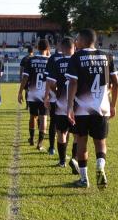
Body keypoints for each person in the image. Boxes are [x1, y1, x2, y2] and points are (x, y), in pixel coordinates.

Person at [66, 28, 118, 188]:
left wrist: (69, 106)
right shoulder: (107, 56)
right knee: (100, 142)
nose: (75, 41)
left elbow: (73, 83)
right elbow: (116, 83)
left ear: (83, 40)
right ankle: (100, 166)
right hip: (102, 108)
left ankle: (84, 179)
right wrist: (113, 105)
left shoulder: (76, 57)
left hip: (81, 109)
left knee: (82, 142)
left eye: (77, 39)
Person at [44, 36, 79, 173]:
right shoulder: (79, 62)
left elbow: (51, 83)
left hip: (60, 103)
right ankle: (75, 159)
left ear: (63, 49)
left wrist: (56, 91)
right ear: (74, 47)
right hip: (77, 104)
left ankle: (62, 161)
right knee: (77, 135)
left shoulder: (58, 63)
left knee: (61, 132)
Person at [18, 39, 51, 150]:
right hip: (45, 94)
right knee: (44, 118)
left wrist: (20, 92)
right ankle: (40, 143)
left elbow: (25, 77)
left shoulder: (31, 60)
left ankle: (31, 138)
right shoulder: (51, 61)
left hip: (32, 93)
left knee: (33, 116)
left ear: (37, 47)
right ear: (48, 49)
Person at [44, 39, 67, 156]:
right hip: (71, 99)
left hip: (55, 97)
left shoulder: (53, 58)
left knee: (54, 122)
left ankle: (52, 148)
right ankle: (64, 153)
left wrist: (47, 95)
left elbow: (48, 79)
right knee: (69, 127)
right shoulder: (73, 59)